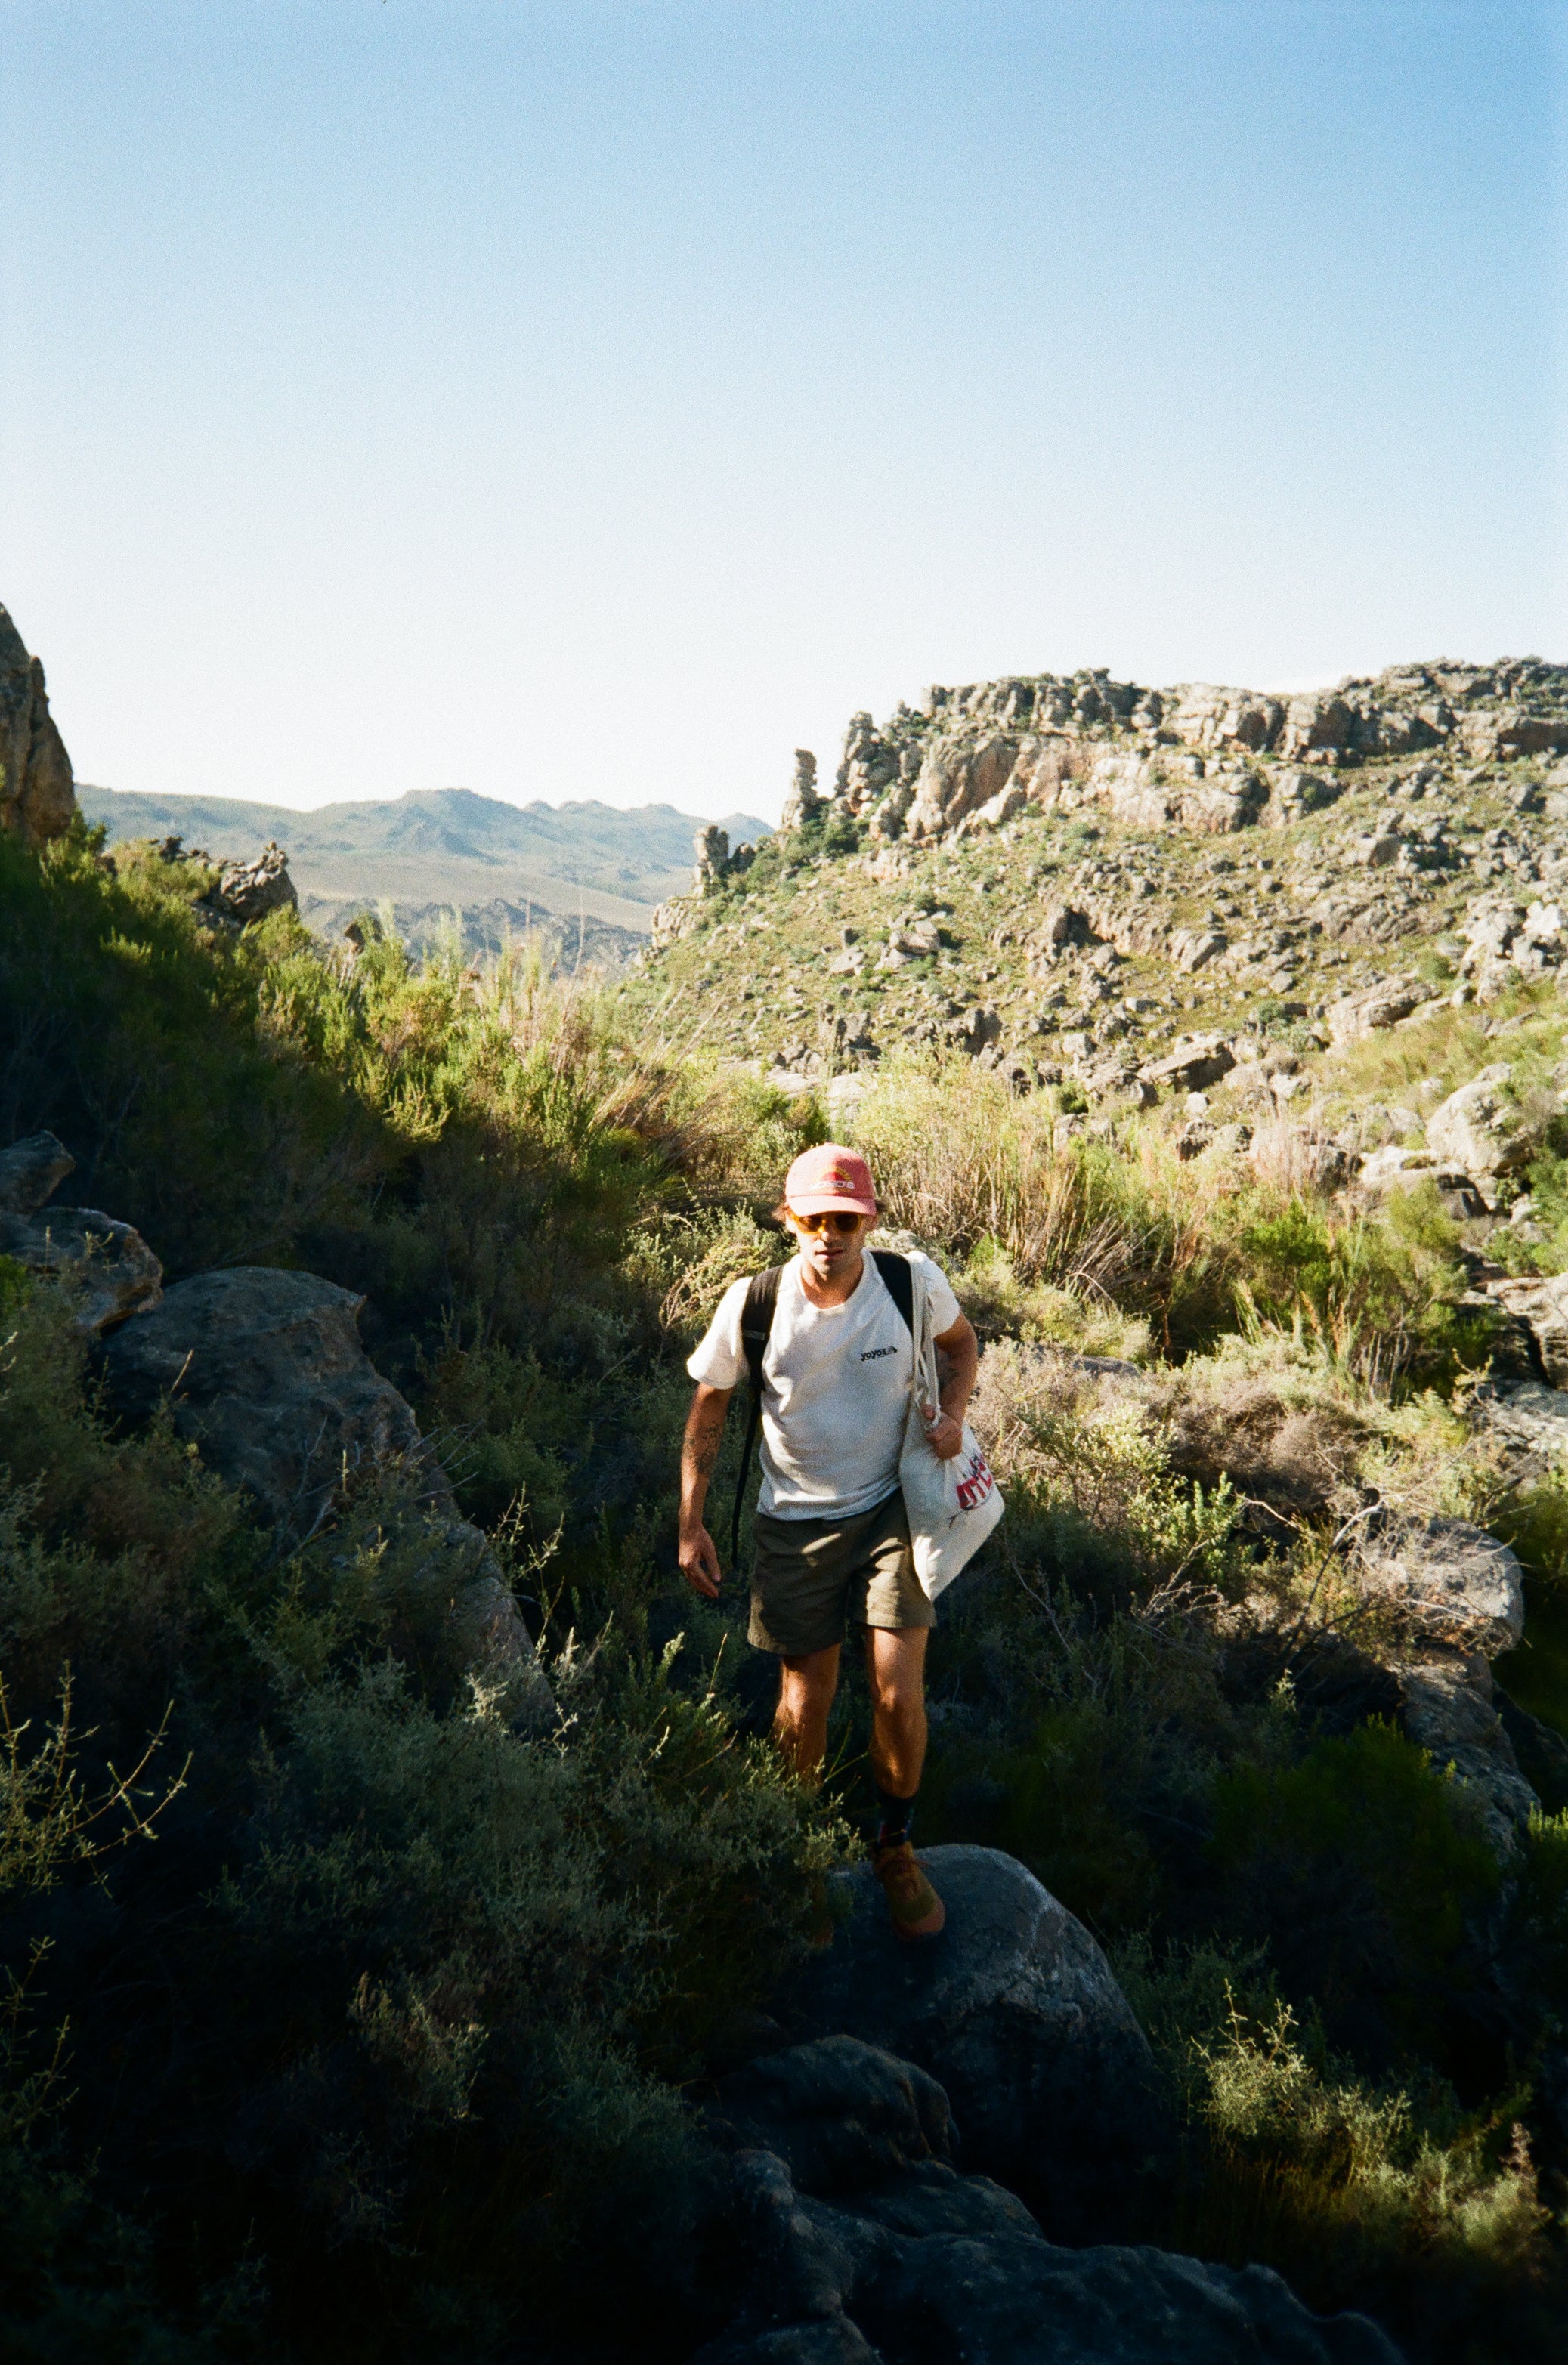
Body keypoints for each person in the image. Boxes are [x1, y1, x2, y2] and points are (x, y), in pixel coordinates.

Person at [678, 1142, 979, 1940]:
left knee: (896, 1691)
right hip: (794, 1520)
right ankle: (794, 1850)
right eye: (812, 1219)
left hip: (890, 1508)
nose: (828, 1235)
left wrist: (953, 1414)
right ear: (788, 1220)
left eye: (844, 1220)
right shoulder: (754, 1303)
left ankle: (894, 1846)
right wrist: (691, 1521)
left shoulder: (908, 1282)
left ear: (868, 1222)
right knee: (802, 1699)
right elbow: (709, 1406)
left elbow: (960, 1345)